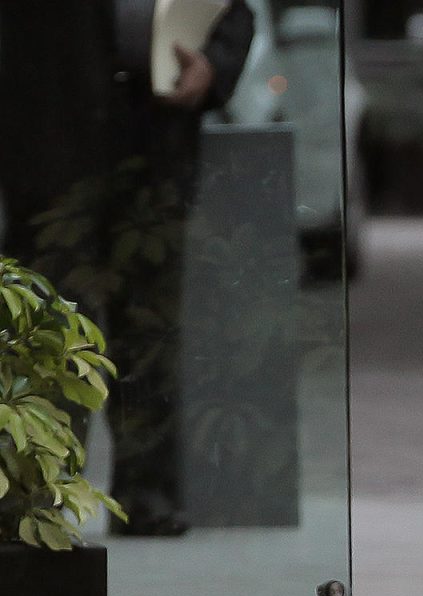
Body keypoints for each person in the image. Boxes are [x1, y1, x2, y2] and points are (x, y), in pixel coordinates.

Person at [0, 0, 254, 536]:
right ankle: (36, 494)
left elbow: (231, 12)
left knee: (152, 318)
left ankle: (150, 491)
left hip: (154, 135)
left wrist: (212, 65)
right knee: (52, 320)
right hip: (50, 136)